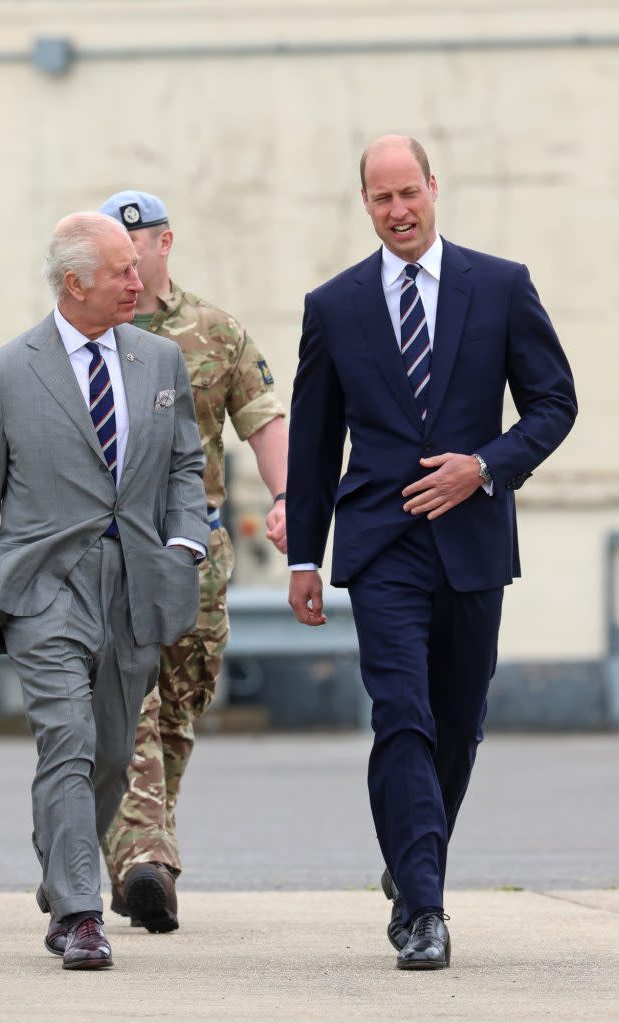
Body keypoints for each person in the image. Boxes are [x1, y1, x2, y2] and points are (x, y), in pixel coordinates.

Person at [286, 136, 577, 970]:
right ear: (365, 204)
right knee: (401, 715)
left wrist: (484, 465)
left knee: (459, 723)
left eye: (408, 193)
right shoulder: (334, 306)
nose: (398, 211)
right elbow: (313, 441)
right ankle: (424, 907)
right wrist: (305, 556)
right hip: (381, 541)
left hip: (475, 536)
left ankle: (413, 849)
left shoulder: (503, 286)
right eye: (381, 199)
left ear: (433, 188)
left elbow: (555, 403)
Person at [0, 212, 209, 970]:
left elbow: (186, 463)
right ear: (74, 283)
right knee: (69, 737)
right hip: (40, 586)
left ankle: (63, 870)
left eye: (137, 267)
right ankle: (84, 912)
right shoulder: (4, 374)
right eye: (122, 270)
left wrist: (186, 539)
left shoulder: (159, 362)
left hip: (136, 586)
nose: (137, 280)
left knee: (114, 754)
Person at [97, 190, 288, 932]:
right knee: (130, 703)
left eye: (132, 243)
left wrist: (288, 500)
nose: (122, 256)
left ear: (163, 243)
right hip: (110, 551)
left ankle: (123, 847)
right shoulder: (87, 330)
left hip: (197, 551)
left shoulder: (213, 331)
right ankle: (147, 856)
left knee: (178, 706)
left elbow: (262, 418)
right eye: (109, 244)